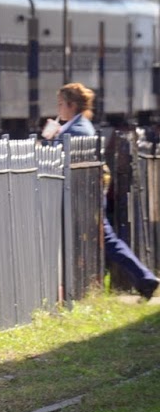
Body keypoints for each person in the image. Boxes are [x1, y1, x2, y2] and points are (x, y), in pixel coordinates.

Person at [44, 82, 159, 301]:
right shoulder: (77, 125)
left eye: (60, 104)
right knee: (107, 240)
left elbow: (59, 157)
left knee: (107, 240)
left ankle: (144, 279)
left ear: (72, 105)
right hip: (86, 194)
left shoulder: (77, 129)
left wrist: (50, 139)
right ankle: (144, 279)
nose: (58, 109)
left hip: (85, 196)